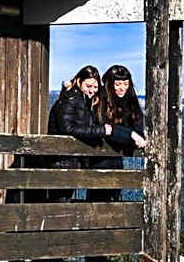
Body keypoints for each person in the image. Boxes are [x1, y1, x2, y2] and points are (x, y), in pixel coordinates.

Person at [46, 65, 133, 202]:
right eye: (88, 86)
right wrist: (102, 130)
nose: (92, 90)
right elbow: (68, 128)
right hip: (63, 160)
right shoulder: (70, 99)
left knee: (62, 200)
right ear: (79, 82)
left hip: (71, 160)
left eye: (95, 87)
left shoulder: (83, 100)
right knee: (59, 200)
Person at [88, 64, 146, 202]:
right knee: (98, 197)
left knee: (114, 197)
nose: (122, 88)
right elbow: (103, 125)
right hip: (99, 157)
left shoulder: (131, 100)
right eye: (118, 84)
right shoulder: (101, 98)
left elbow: (138, 126)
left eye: (125, 84)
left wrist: (136, 137)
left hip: (117, 158)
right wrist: (129, 135)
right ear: (110, 84)